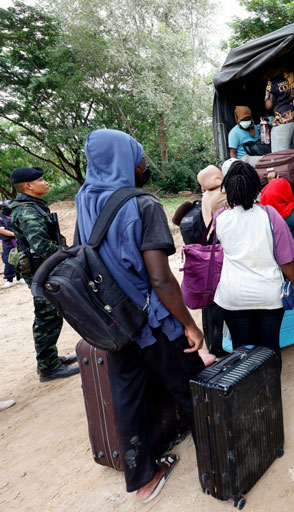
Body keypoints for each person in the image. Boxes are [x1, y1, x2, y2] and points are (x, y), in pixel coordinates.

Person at [75, 129, 205, 502]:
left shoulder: (84, 199)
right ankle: (218, 453)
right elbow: (161, 279)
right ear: (123, 161)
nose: (143, 163)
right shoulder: (143, 205)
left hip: (112, 323)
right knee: (193, 387)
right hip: (151, 322)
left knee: (127, 396)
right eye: (139, 155)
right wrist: (189, 324)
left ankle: (142, 479)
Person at [213, 161, 294, 363]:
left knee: (241, 354)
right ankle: (270, 394)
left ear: (228, 189)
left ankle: (245, 393)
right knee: (270, 351)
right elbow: (286, 261)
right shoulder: (270, 216)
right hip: (268, 296)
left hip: (232, 296)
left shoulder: (220, 217)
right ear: (256, 188)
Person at [8, 167, 78, 381]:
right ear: (28, 186)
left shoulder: (33, 206)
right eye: (41, 179)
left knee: (51, 314)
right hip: (42, 269)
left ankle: (50, 359)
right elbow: (41, 246)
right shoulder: (27, 210)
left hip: (44, 267)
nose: (46, 182)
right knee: (47, 315)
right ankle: (48, 367)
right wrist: (70, 254)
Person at [259, 171, 294, 340]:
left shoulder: (262, 212)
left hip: (267, 256)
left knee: (274, 289)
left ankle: (276, 325)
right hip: (290, 256)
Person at [265, 68, 294, 152]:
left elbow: (269, 106)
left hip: (282, 121)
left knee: (280, 156)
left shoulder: (272, 82)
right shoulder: (293, 77)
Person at [0, 200, 20, 288]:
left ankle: (20, 277)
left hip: (18, 242)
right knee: (8, 260)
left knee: (20, 259)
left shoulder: (14, 216)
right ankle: (9, 280)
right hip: (8, 243)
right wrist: (16, 235)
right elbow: (2, 230)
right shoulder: (1, 218)